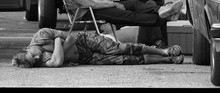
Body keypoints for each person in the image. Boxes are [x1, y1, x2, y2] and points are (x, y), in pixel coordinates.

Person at [12, 28, 184, 68]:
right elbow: (56, 62)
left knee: (121, 48)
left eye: (32, 56)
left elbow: (71, 36)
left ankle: (164, 50)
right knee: (124, 60)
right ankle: (168, 59)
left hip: (85, 41)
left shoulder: (41, 35)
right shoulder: (38, 60)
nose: (36, 58)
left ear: (27, 49)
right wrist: (61, 48)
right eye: (33, 62)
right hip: (84, 58)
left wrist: (60, 47)